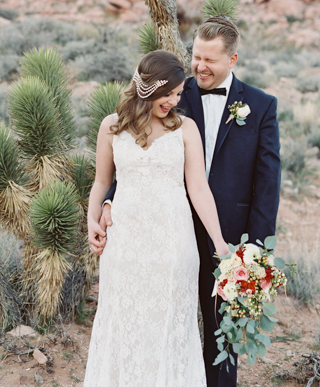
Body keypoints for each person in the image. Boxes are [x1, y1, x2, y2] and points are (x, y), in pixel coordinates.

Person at [90, 16, 281, 387]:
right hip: (151, 233)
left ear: (233, 59)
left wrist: (253, 253)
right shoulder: (177, 92)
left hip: (224, 232)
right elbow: (126, 167)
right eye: (196, 56)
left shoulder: (260, 106)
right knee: (138, 321)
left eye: (210, 60)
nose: (200, 67)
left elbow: (266, 185)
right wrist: (107, 206)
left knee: (219, 332)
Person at [83, 50, 230, 387]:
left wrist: (219, 241)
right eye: (169, 94)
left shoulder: (186, 129)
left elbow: (198, 188)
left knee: (168, 325)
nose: (174, 101)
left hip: (172, 245)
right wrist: (92, 219)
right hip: (125, 245)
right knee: (125, 324)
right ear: (148, 88)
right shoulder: (111, 126)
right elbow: (102, 182)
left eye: (179, 94)